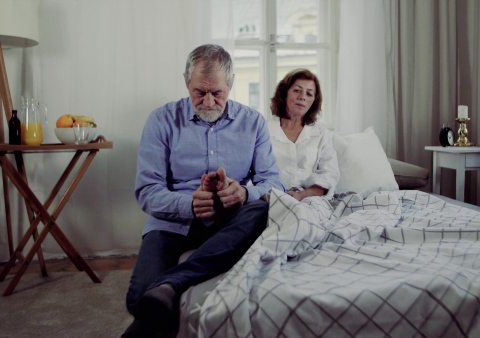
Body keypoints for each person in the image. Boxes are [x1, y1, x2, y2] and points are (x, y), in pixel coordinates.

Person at [122, 44, 284, 337]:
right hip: (173, 223)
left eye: (217, 93)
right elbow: (147, 191)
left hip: (231, 223)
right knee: (138, 300)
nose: (208, 101)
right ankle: (166, 293)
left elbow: (274, 182)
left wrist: (244, 194)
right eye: (199, 92)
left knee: (260, 209)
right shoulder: (161, 120)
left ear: (231, 85)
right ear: (187, 83)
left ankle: (171, 283)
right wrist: (189, 204)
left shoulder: (253, 123)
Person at [268, 68, 339, 201]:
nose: (303, 97)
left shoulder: (322, 135)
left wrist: (302, 195)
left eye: (309, 93)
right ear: (284, 94)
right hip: (272, 198)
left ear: (314, 100)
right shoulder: (264, 130)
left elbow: (329, 175)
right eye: (297, 90)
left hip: (310, 199)